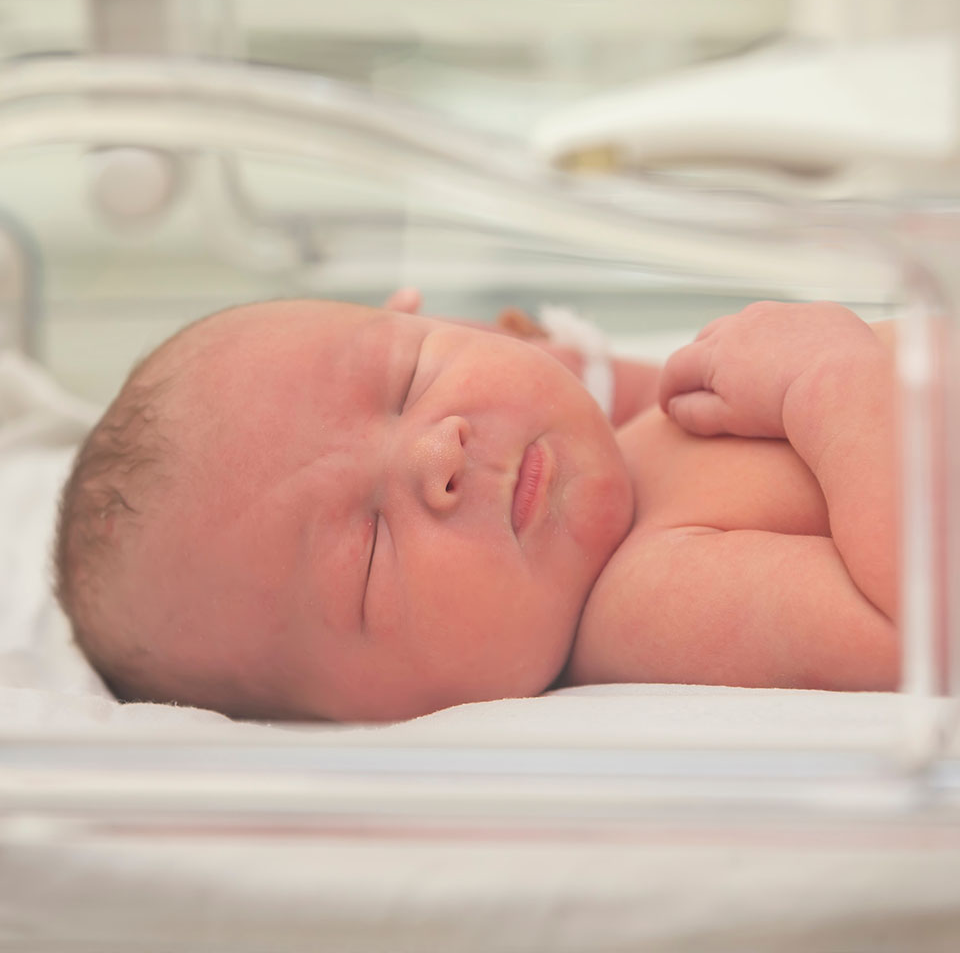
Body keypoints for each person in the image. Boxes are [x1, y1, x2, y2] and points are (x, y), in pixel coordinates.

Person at [53, 292, 900, 721]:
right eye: (373, 549)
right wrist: (833, 386)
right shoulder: (648, 603)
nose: (439, 452)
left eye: (407, 378)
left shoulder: (621, 441)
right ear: (385, 716)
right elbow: (917, 626)